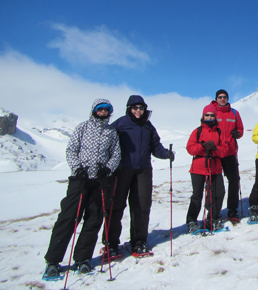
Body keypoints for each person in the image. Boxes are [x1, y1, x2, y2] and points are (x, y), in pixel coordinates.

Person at [43, 99, 121, 279]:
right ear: (94, 110)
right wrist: (77, 168)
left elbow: (116, 154)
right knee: (68, 218)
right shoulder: (82, 127)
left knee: (94, 220)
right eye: (100, 109)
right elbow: (71, 150)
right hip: (80, 179)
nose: (103, 112)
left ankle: (83, 258)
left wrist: (108, 168)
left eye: (106, 110)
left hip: (101, 181)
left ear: (110, 112)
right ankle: (53, 261)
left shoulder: (111, 132)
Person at [105, 95, 174, 257]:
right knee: (116, 206)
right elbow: (106, 143)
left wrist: (166, 154)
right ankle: (111, 243)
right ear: (129, 108)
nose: (138, 111)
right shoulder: (120, 124)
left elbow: (156, 147)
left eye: (141, 108)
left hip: (143, 171)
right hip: (121, 170)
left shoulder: (148, 126)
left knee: (142, 206)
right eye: (134, 108)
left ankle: (139, 241)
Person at [186, 104, 227, 233]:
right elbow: (190, 148)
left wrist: (215, 148)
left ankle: (212, 218)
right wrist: (203, 146)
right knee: (197, 195)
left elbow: (225, 151)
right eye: (207, 115)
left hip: (215, 167)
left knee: (218, 193)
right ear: (203, 116)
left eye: (212, 115)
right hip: (198, 168)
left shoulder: (220, 132)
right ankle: (192, 220)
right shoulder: (197, 131)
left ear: (215, 117)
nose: (209, 117)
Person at [210, 89, 244, 221]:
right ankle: (214, 210)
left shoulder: (234, 113)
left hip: (230, 152)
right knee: (215, 184)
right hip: (216, 153)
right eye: (220, 97)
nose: (222, 99)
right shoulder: (211, 111)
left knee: (234, 181)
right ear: (216, 98)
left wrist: (238, 134)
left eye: (224, 97)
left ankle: (232, 209)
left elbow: (240, 129)